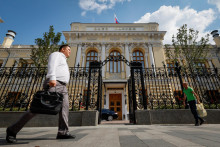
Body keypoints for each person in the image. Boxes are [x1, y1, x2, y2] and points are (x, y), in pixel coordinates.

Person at [6, 44, 75, 143]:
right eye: (68, 49)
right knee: (38, 107)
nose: (70, 51)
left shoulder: (63, 59)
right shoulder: (57, 54)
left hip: (63, 87)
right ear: (62, 49)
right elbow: (52, 65)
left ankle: (63, 132)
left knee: (65, 109)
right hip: (55, 84)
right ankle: (12, 130)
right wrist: (52, 77)